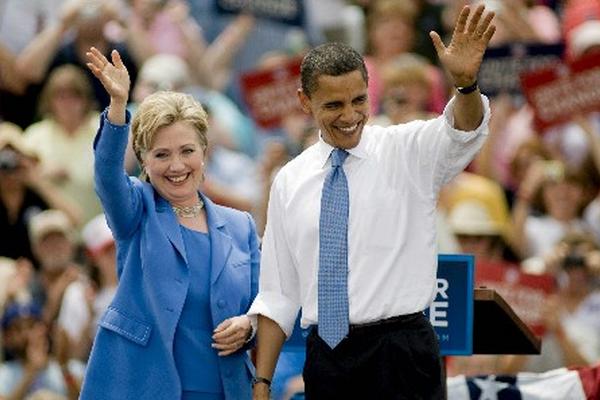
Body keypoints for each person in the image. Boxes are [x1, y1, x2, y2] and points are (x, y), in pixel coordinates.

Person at [248, 4, 496, 399]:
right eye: (333, 105)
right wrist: (262, 382)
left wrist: (466, 86)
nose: (350, 116)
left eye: (359, 100)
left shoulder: (406, 149)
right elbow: (278, 292)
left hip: (403, 354)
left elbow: (464, 130)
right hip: (327, 358)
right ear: (304, 101)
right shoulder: (289, 181)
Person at [79, 46, 259, 399]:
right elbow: (106, 176)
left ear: (205, 153)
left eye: (187, 151)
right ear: (144, 162)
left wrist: (249, 326)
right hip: (144, 387)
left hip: (226, 390)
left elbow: (264, 305)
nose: (176, 166)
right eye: (162, 154)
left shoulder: (241, 226)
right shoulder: (136, 212)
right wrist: (118, 107)